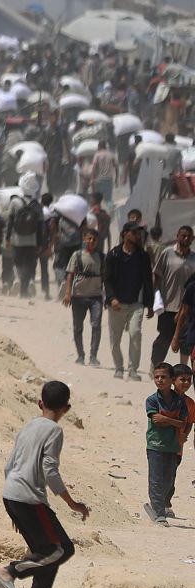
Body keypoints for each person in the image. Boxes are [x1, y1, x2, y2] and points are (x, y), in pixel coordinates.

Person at [0, 381, 89, 588]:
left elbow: (9, 464)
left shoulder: (29, 426)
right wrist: (72, 503)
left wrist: (15, 507)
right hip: (29, 498)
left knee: (45, 553)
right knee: (62, 550)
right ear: (67, 408)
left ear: (40, 403)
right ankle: (9, 572)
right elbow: (50, 470)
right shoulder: (54, 431)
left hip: (12, 495)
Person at [103, 225, 155, 381]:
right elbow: (107, 279)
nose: (137, 235)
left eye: (138, 233)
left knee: (135, 333)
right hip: (116, 304)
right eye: (134, 232)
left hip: (136, 303)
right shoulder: (114, 254)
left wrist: (150, 304)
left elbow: (148, 280)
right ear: (125, 234)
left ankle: (133, 370)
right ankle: (119, 368)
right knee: (115, 339)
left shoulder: (142, 256)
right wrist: (111, 298)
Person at [143, 362, 187, 525]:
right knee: (156, 480)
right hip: (155, 445)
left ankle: (155, 505)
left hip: (173, 446)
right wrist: (173, 421)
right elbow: (156, 421)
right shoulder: (152, 400)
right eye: (156, 377)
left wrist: (166, 419)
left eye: (163, 377)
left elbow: (183, 423)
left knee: (168, 481)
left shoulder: (180, 401)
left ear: (172, 379)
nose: (159, 380)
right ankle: (159, 513)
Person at [150, 225, 195, 367]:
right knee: (165, 338)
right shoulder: (167, 253)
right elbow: (157, 276)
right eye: (183, 235)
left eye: (189, 236)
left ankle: (183, 370)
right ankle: (156, 366)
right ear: (177, 236)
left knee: (186, 340)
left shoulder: (194, 258)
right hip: (168, 305)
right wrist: (155, 298)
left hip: (188, 308)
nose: (186, 238)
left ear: (193, 239)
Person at [63, 229, 105, 366]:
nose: (91, 241)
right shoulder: (77, 255)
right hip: (78, 296)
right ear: (84, 239)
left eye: (94, 239)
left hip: (96, 297)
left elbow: (106, 276)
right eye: (89, 239)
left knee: (96, 325)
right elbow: (70, 274)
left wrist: (108, 296)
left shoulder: (101, 257)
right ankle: (80, 355)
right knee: (78, 327)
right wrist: (67, 293)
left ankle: (93, 356)